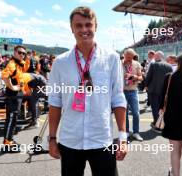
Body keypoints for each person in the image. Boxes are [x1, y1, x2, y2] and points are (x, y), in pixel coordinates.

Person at [48, 6, 127, 176]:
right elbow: (55, 101)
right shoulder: (60, 62)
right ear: (71, 28)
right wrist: (52, 138)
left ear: (95, 26)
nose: (84, 29)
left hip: (102, 139)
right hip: (70, 140)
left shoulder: (112, 58)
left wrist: (122, 137)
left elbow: (118, 99)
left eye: (88, 25)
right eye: (78, 25)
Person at [1, 45, 30, 152]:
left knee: (14, 117)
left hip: (18, 94)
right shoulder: (12, 63)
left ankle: (10, 140)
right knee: (11, 118)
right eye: (20, 52)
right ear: (14, 52)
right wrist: (13, 87)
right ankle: (8, 142)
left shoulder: (20, 63)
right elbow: (5, 76)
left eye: (24, 53)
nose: (22, 55)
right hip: (12, 94)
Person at [144, 51, 173, 132]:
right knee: (163, 108)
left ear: (157, 57)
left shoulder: (153, 64)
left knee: (155, 108)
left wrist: (145, 85)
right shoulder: (169, 66)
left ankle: (157, 125)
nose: (154, 57)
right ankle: (163, 123)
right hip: (165, 91)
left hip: (154, 90)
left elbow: (149, 76)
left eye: (155, 56)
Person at [123, 48, 143, 141]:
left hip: (133, 90)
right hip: (122, 91)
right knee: (124, 113)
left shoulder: (137, 64)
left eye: (131, 57)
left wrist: (135, 77)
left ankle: (136, 132)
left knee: (136, 113)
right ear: (124, 55)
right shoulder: (119, 64)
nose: (129, 59)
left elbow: (141, 77)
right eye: (127, 57)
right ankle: (126, 132)